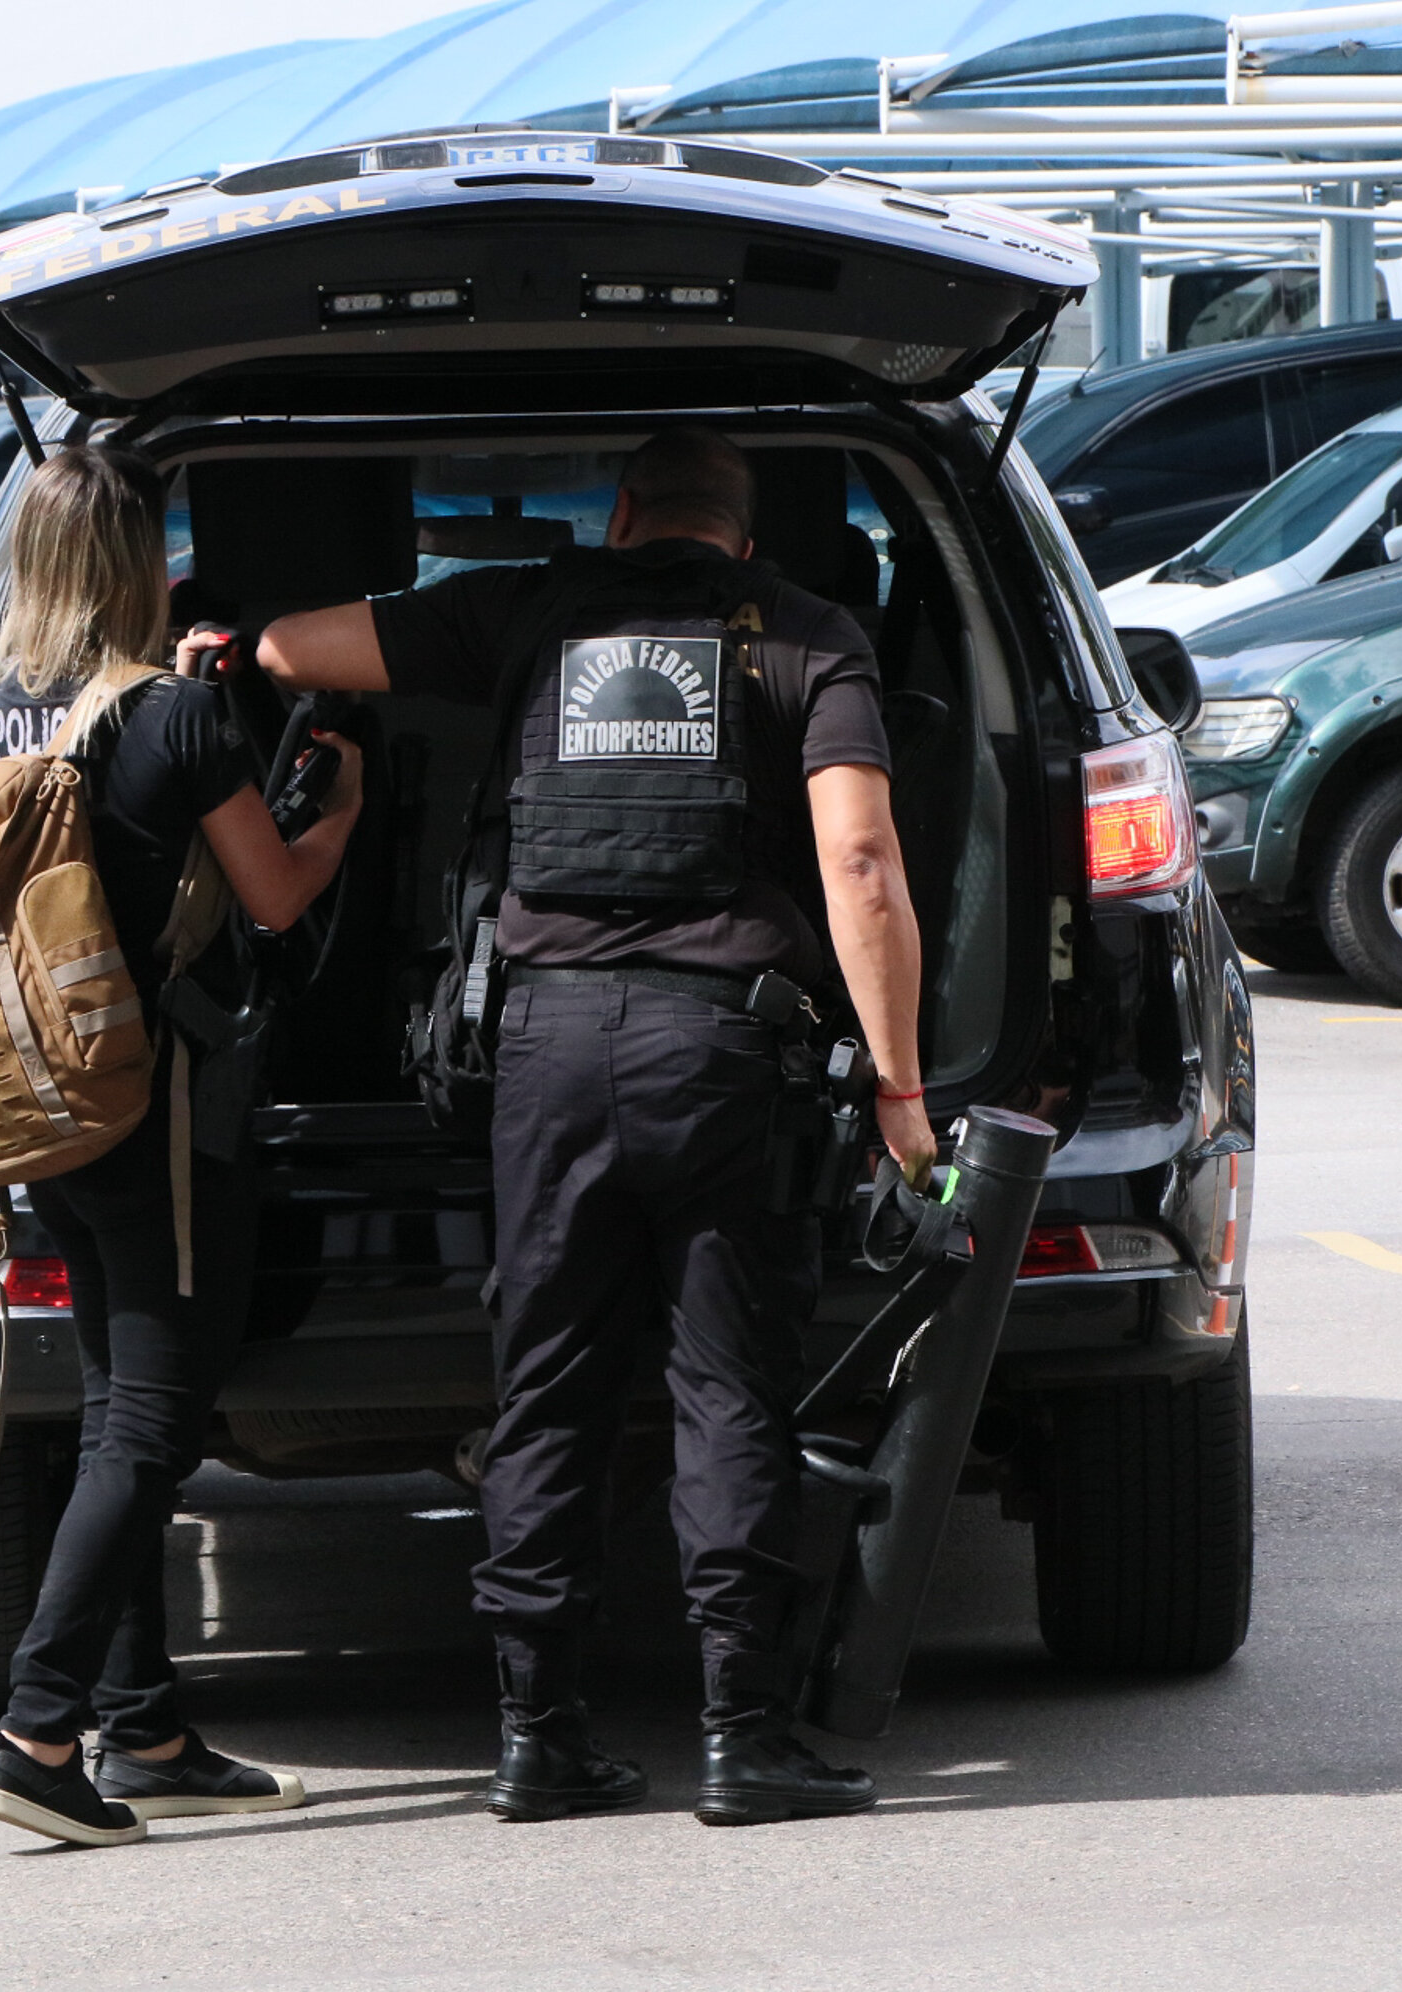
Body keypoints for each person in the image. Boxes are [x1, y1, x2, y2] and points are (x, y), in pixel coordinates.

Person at [254, 428, 939, 1827]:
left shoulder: (521, 605)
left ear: (623, 515)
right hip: (722, 1050)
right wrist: (900, 1084)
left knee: (549, 1383)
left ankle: (534, 1736)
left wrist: (238, 650)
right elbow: (860, 861)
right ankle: (745, 1738)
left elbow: (287, 649)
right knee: (726, 1385)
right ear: (744, 540)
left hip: (546, 1047)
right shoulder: (809, 637)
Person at [0, 445, 361, 1847]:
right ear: (140, 559)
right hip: (160, 1115)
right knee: (156, 1421)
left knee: (109, 1405)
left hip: (46, 1107)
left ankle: (146, 1732)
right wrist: (341, 813)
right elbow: (269, 896)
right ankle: (36, 1728)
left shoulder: (4, 710)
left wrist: (185, 687)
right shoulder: (182, 720)